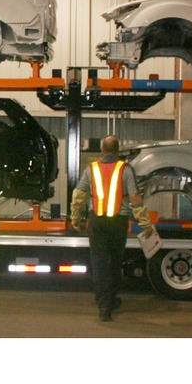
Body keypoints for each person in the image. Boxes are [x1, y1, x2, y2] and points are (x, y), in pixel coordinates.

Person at [70, 135, 154, 321]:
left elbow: (79, 194)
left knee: (99, 264)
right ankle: (112, 298)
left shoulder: (91, 169)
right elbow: (135, 198)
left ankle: (104, 307)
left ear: (102, 150)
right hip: (118, 222)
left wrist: (75, 218)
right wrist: (145, 224)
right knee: (115, 263)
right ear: (118, 151)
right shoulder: (126, 169)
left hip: (97, 222)